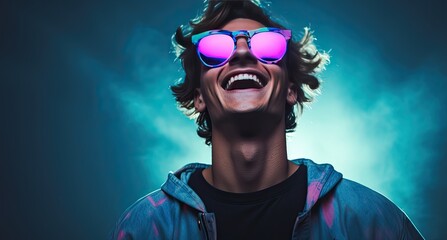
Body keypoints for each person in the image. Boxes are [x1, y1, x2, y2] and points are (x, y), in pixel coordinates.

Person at [111, 0, 424, 239]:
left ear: (290, 89)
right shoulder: (147, 228)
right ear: (199, 97)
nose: (242, 54)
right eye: (216, 48)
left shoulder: (367, 220)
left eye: (267, 44)